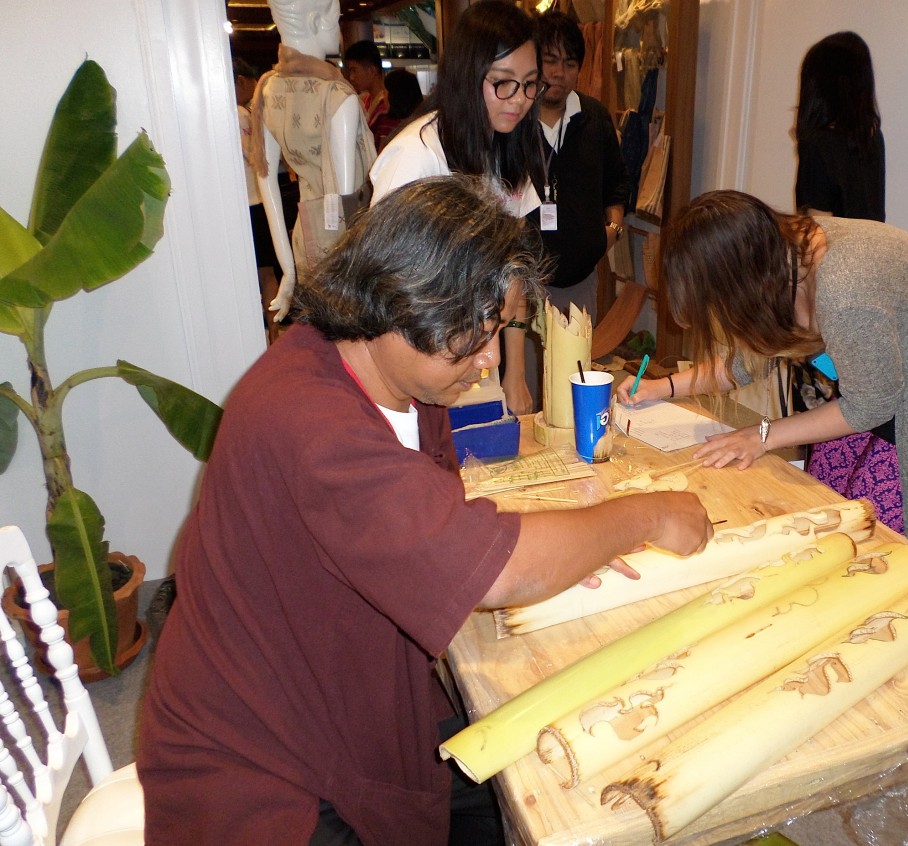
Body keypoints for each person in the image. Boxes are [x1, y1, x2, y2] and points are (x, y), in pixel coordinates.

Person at [137, 175, 713, 846]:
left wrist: (557, 546)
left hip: (343, 686)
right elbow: (500, 572)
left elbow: (430, 518)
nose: (489, 361)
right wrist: (644, 516)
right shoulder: (310, 421)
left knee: (535, 775)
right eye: (472, 339)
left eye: (498, 331)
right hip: (264, 767)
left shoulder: (397, 382)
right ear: (396, 304)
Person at [618, 189, 908, 574]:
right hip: (871, 387)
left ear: (740, 282)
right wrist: (662, 387)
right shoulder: (779, 257)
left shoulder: (845, 286)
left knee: (895, 550)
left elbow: (869, 406)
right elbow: (747, 363)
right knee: (829, 519)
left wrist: (763, 434)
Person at [369, 0, 546, 417]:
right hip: (418, 368)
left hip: (475, 361)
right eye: (503, 83)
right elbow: (382, 292)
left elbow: (514, 278)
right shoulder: (416, 155)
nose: (519, 100)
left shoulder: (508, 151)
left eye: (529, 84)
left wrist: (515, 374)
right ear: (468, 76)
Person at [248, 0, 377, 324]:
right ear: (317, 21)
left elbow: (266, 184)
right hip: (347, 252)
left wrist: (288, 270)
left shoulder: (267, 89)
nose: (339, 32)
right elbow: (346, 199)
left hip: (305, 240)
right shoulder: (338, 96)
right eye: (336, 21)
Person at [535, 11, 628, 316]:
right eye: (550, 60)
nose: (559, 73)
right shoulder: (513, 120)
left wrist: (612, 230)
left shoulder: (595, 118)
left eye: (570, 63)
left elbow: (617, 183)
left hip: (581, 280)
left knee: (577, 349)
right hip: (521, 282)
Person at [794, 31, 885, 222]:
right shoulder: (872, 136)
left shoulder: (816, 143)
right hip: (873, 241)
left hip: (836, 242)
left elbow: (819, 226)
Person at [233, 57, 284, 341]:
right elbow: (253, 154)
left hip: (246, 203)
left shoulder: (236, 113)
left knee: (258, 272)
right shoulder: (241, 114)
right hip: (255, 201)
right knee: (266, 272)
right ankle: (273, 333)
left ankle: (269, 333)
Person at [343, 40, 388, 138]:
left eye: (354, 71)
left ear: (372, 71)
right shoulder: (365, 100)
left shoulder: (386, 105)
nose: (351, 77)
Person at [372, 67, 423, 151]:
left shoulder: (386, 123)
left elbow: (382, 153)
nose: (383, 97)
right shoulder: (422, 122)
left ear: (394, 96)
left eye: (384, 92)